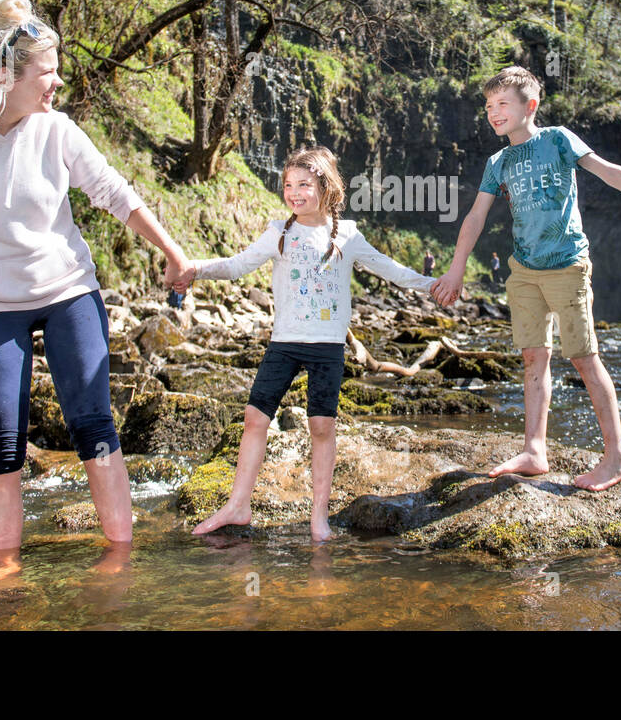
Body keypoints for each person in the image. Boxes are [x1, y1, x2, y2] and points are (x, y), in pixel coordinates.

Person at [0, 0, 193, 577]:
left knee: (93, 427)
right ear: (6, 77)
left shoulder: (57, 131)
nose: (58, 83)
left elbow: (115, 193)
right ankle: (1, 572)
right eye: (49, 72)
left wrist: (172, 250)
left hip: (68, 291)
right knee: (0, 442)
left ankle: (120, 560)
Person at [432, 66, 621, 491]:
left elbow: (611, 172)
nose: (493, 113)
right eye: (488, 107)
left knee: (584, 358)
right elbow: (476, 216)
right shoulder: (498, 161)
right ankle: (534, 450)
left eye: (503, 105)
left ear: (529, 106)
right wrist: (456, 267)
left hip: (568, 265)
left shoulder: (558, 139)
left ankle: (617, 458)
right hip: (524, 272)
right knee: (534, 357)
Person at [185, 146, 442, 541]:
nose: (294, 192)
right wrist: (195, 269)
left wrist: (433, 285)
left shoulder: (349, 235)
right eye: (288, 185)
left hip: (327, 347)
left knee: (321, 427)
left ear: (325, 186)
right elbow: (237, 265)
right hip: (284, 343)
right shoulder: (279, 231)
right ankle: (238, 503)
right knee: (255, 419)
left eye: (304, 184)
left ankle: (318, 518)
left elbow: (390, 270)